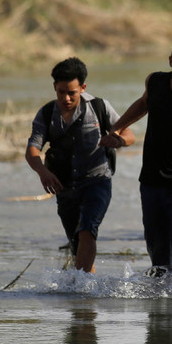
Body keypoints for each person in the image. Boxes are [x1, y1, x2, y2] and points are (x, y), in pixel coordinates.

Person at [105, 37, 172, 277]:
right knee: (155, 237)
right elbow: (143, 104)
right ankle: (161, 286)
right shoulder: (155, 82)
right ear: (171, 61)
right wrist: (117, 128)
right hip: (153, 175)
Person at [25, 57, 135, 273]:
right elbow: (32, 150)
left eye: (72, 93)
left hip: (97, 181)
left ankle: (83, 290)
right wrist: (42, 172)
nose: (66, 98)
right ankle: (85, 297)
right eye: (61, 92)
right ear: (54, 88)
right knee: (77, 246)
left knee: (87, 230)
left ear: (83, 88)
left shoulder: (99, 107)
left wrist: (119, 140)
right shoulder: (47, 114)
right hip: (64, 187)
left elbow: (129, 135)